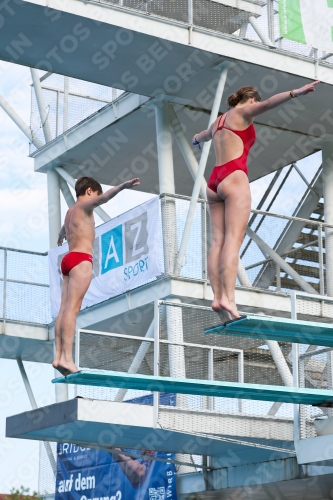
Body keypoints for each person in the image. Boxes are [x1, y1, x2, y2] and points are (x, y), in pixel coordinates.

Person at [192, 81, 320, 322]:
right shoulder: (243, 112)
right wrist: (295, 92)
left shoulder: (217, 122)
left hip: (214, 181)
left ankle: (217, 296)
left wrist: (197, 140)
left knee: (217, 241)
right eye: (256, 103)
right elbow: (270, 103)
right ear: (251, 100)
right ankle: (229, 298)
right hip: (234, 177)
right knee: (232, 240)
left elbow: (200, 137)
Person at [54, 175, 140, 375]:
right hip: (81, 260)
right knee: (72, 310)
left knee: (63, 309)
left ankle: (58, 356)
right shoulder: (85, 205)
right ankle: (67, 359)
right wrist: (123, 185)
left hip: (67, 260)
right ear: (90, 191)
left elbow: (63, 230)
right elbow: (104, 199)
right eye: (95, 194)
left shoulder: (70, 212)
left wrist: (60, 236)